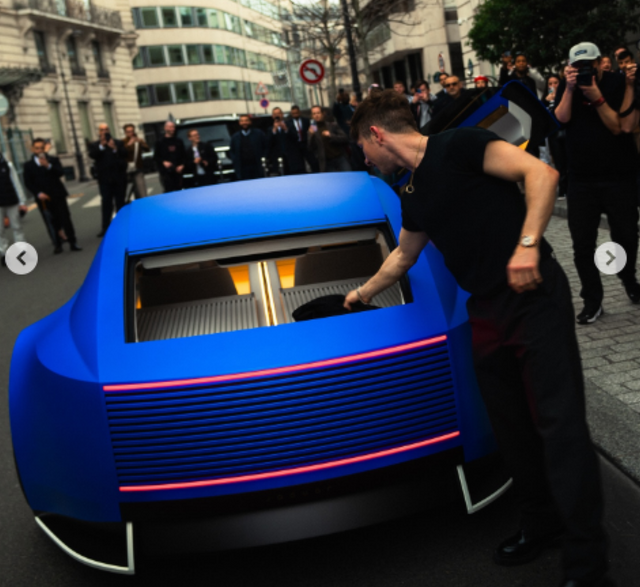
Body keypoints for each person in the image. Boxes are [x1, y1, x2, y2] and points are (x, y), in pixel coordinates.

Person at [344, 89, 611, 587]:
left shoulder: (461, 144)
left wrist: (528, 245)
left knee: (560, 427)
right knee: (512, 429)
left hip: (533, 297)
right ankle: (542, 525)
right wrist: (358, 295)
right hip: (486, 311)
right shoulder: (410, 191)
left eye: (363, 146)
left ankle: (588, 565)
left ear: (377, 134)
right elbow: (403, 256)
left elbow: (541, 174)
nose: (364, 158)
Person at [555, 42, 640, 323]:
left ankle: (628, 278)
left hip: (619, 176)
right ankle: (592, 300)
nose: (584, 71)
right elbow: (561, 119)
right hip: (581, 179)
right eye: (577, 66)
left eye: (588, 65)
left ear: (598, 62)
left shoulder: (617, 83)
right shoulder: (568, 85)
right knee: (582, 244)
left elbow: (620, 127)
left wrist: (597, 97)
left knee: (626, 236)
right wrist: (569, 89)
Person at [24, 138, 81, 253]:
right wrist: (38, 193)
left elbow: (60, 173)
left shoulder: (53, 160)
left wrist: (48, 166)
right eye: (37, 148)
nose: (40, 150)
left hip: (57, 194)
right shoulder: (28, 165)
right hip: (43, 198)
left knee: (65, 218)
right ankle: (57, 244)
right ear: (33, 149)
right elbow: (28, 182)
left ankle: (72, 242)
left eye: (42, 148)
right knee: (50, 220)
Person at [89, 123, 128, 237]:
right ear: (99, 132)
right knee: (106, 203)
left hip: (119, 178)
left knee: (120, 202)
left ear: (109, 130)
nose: (104, 131)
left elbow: (125, 154)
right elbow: (93, 155)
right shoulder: (95, 145)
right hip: (105, 179)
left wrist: (115, 148)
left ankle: (122, 225)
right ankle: (105, 227)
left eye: (106, 129)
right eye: (102, 130)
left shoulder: (117, 142)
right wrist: (102, 145)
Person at [0, 150, 27, 266]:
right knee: (0, 230)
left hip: (12, 201)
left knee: (17, 227)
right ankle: (4, 253)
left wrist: (22, 201)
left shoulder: (8, 165)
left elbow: (16, 183)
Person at [543, 75, 568, 200]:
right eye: (550, 83)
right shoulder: (545, 100)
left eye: (556, 82)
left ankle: (569, 187)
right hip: (553, 135)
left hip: (565, 132)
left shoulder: (565, 96)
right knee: (559, 162)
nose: (553, 86)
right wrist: (547, 102)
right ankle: (562, 189)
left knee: (568, 160)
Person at [307, 105, 350, 172]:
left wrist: (331, 135)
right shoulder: (313, 129)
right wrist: (311, 135)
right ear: (312, 116)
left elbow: (345, 138)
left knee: (348, 176)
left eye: (318, 113)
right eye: (314, 114)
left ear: (322, 114)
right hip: (327, 162)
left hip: (340, 158)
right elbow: (310, 148)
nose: (316, 115)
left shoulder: (332, 125)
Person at [267, 107, 305, 175]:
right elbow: (268, 143)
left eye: (279, 113)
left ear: (282, 114)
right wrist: (274, 130)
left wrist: (286, 129)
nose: (277, 115)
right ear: (272, 116)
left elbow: (296, 137)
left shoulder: (290, 124)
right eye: (275, 114)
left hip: (291, 158)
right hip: (278, 158)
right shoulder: (270, 129)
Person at [229, 114, 267, 180]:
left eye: (246, 120)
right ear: (239, 123)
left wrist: (264, 157)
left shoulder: (259, 134)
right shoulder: (235, 137)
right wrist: (235, 160)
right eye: (242, 121)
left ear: (250, 122)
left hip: (257, 166)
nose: (244, 123)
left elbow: (266, 146)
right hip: (243, 168)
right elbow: (232, 151)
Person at [153, 120, 185, 193]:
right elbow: (156, 157)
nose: (172, 129)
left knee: (180, 191)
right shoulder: (160, 142)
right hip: (166, 173)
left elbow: (184, 155)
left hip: (178, 172)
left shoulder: (178, 141)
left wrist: (182, 165)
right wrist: (163, 162)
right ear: (165, 128)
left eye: (173, 127)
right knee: (168, 191)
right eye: (170, 127)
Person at [286, 105, 319, 173]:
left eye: (296, 113)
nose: (295, 115)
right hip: (296, 145)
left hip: (306, 144)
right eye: (293, 113)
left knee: (313, 161)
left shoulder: (306, 120)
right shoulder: (288, 123)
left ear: (299, 112)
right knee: (300, 164)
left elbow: (313, 130)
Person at [122, 124, 150, 200]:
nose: (130, 133)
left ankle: (142, 203)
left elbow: (147, 149)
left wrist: (141, 142)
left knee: (141, 190)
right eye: (128, 132)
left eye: (132, 131)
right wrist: (129, 144)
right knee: (129, 190)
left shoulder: (138, 140)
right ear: (125, 132)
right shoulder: (123, 142)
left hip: (138, 168)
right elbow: (122, 153)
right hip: (127, 169)